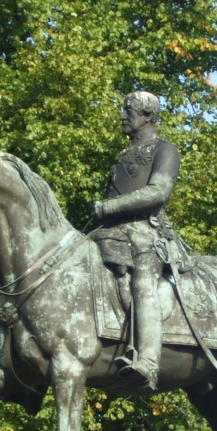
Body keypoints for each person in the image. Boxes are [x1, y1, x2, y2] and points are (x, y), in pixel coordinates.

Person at [90, 91, 181, 390]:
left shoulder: (165, 150)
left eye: (128, 110)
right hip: (110, 233)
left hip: (146, 234)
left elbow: (157, 192)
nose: (122, 115)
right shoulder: (122, 155)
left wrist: (107, 208)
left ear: (148, 116)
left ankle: (149, 362)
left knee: (144, 284)